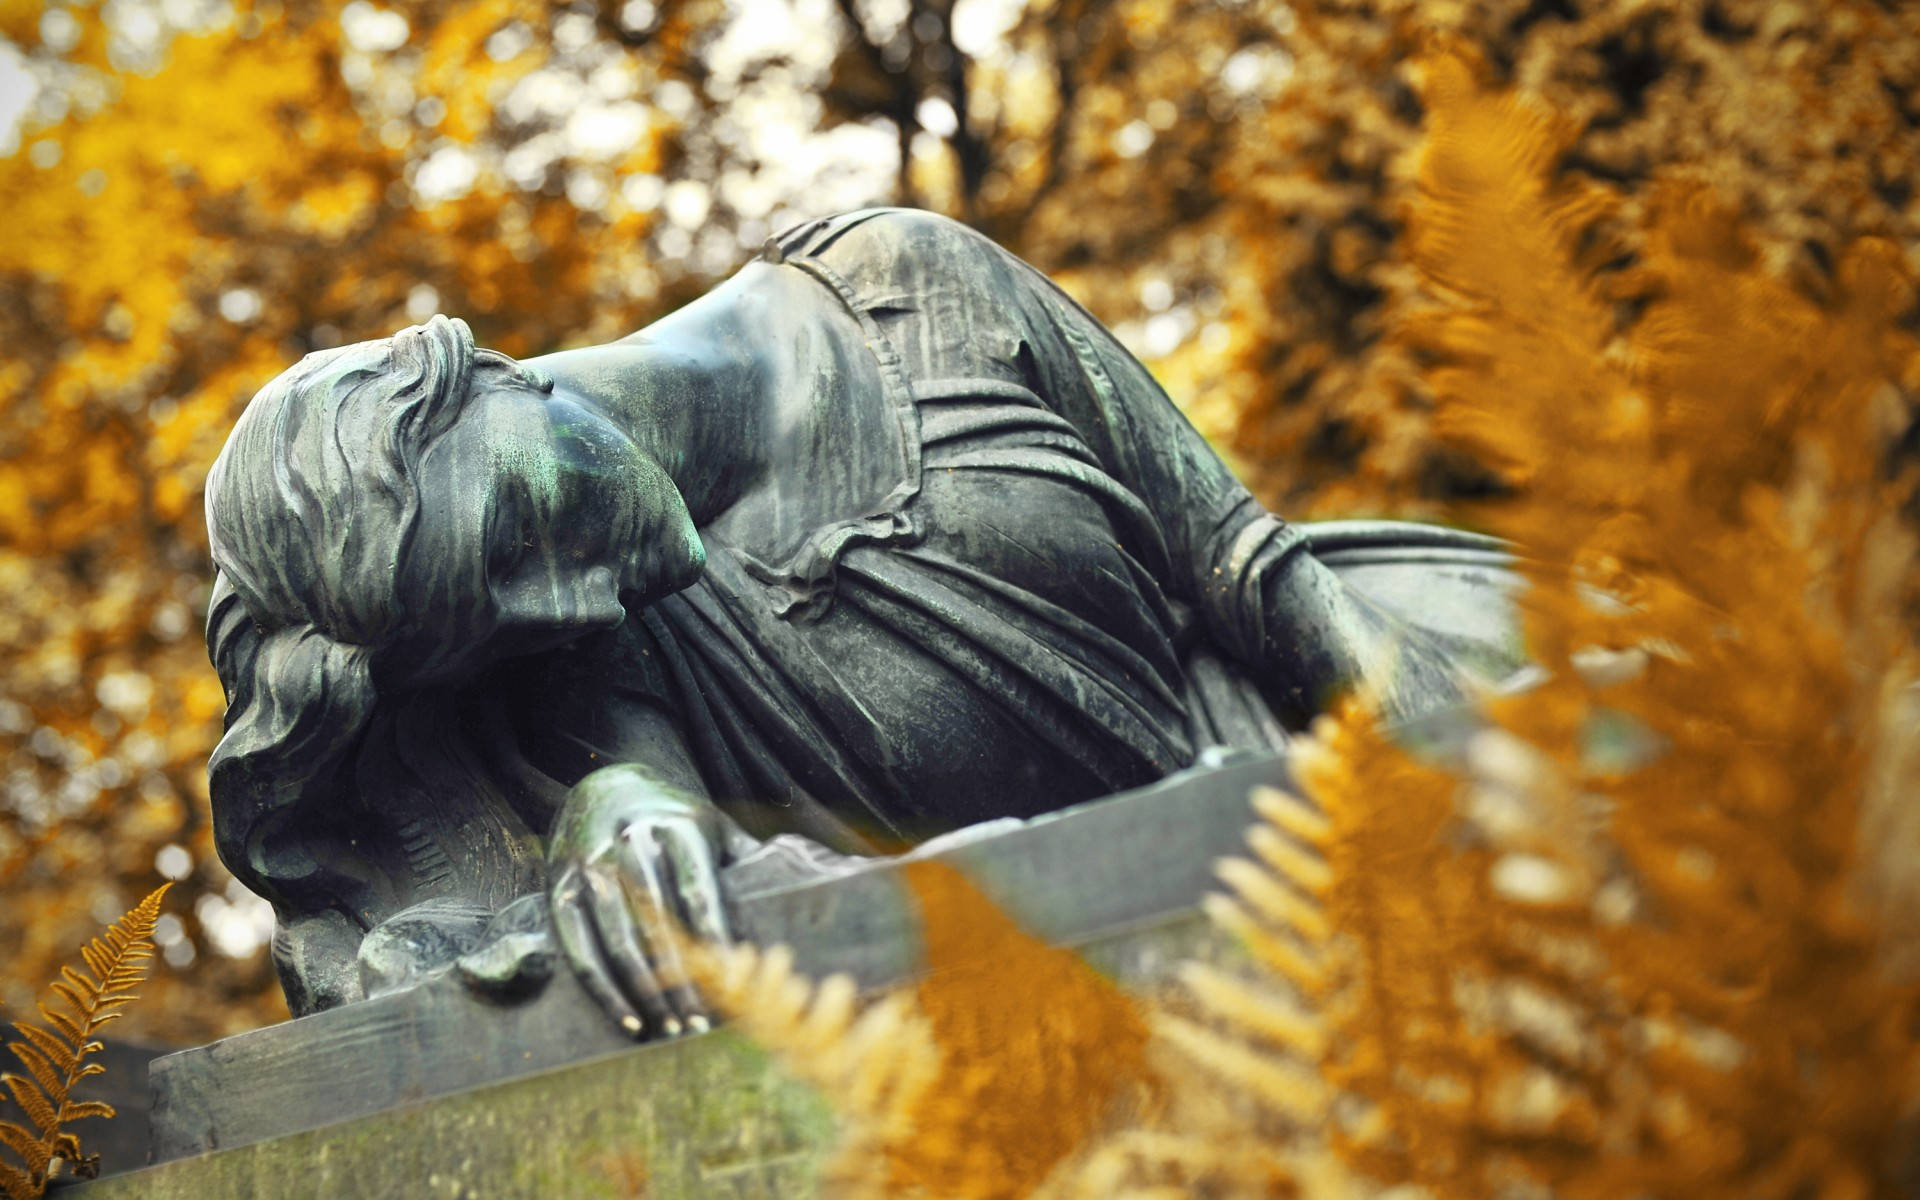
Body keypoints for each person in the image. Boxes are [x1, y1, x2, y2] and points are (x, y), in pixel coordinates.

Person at [204, 208, 1514, 1031]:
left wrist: (1473, 779)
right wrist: (612, 810)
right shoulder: (588, 652)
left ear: (487, 380)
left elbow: (1248, 566)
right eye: (517, 619)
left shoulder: (908, 284)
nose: (578, 601)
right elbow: (627, 789)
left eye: (518, 540)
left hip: (1312, 718)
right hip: (1112, 964)